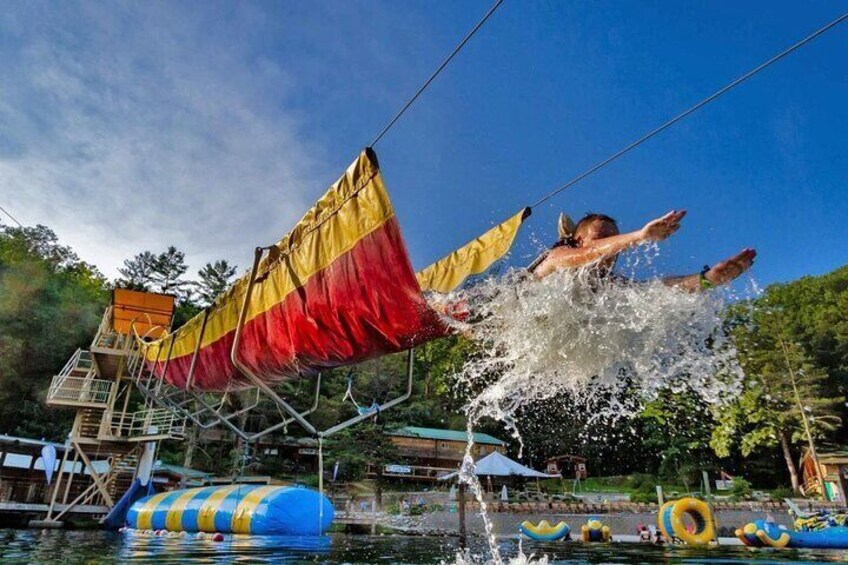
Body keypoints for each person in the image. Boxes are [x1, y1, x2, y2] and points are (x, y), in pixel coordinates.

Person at [530, 210, 756, 291]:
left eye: (615, 242)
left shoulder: (608, 284)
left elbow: (659, 291)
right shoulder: (555, 259)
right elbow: (587, 254)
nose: (611, 248)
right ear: (577, 240)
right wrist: (640, 236)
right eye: (603, 239)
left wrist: (708, 279)